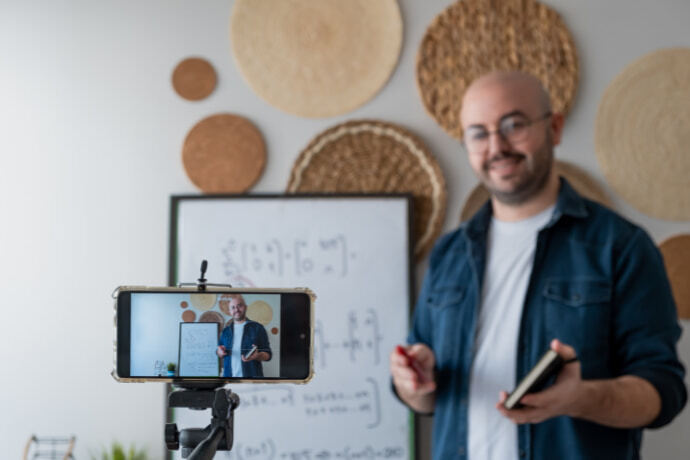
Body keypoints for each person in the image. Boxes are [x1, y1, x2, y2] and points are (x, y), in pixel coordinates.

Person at [390, 71, 687, 460]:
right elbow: (426, 403)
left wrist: (582, 399)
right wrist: (415, 383)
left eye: (513, 125)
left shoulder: (621, 246)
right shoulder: (448, 254)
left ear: (555, 127)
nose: (496, 146)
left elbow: (663, 391)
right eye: (478, 133)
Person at [217, 294, 272, 378]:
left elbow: (268, 355)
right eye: (233, 307)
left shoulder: (257, 328)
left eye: (239, 306)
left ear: (245, 307)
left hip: (252, 380)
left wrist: (257, 356)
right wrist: (219, 352)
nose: (236, 310)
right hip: (229, 379)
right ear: (230, 311)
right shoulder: (225, 331)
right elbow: (218, 351)